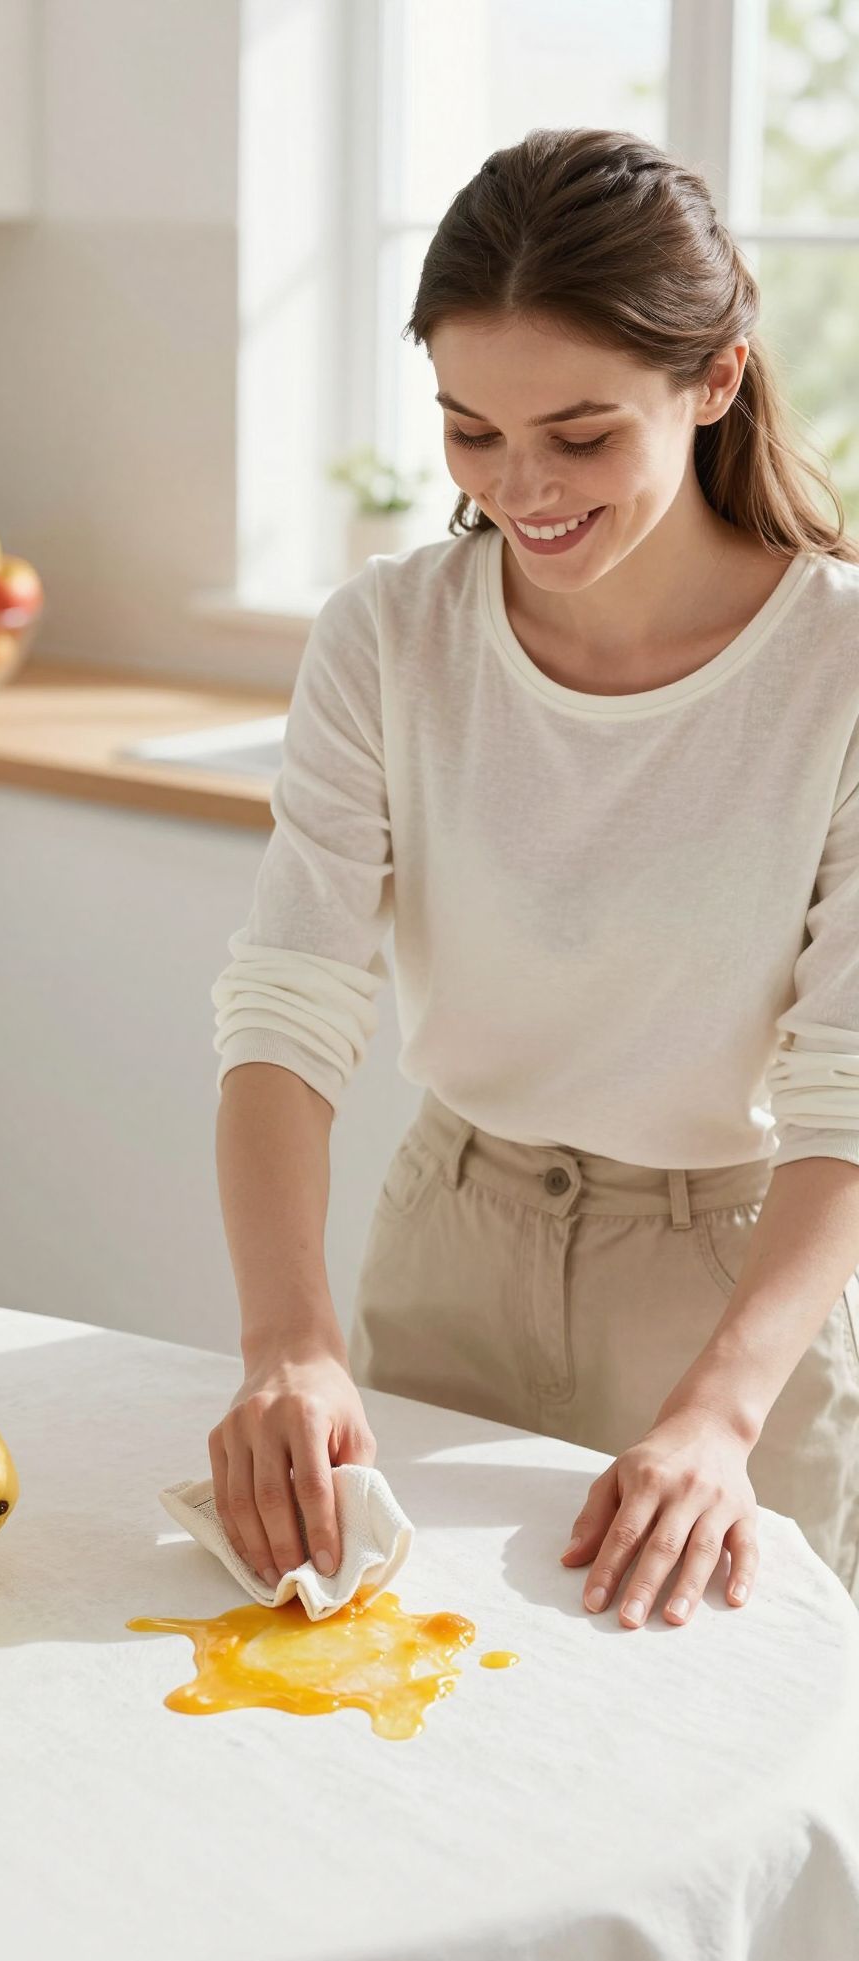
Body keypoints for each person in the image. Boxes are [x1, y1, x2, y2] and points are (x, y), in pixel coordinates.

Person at [208, 127, 859, 1630]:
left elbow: (845, 1087)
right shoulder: (388, 635)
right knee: (411, 1723)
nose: (520, 487)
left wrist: (718, 1414)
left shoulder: (833, 666)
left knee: (731, 1772)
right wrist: (287, 1342)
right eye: (470, 430)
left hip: (731, 1287)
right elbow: (287, 1010)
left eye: (580, 435)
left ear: (716, 382)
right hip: (452, 1240)